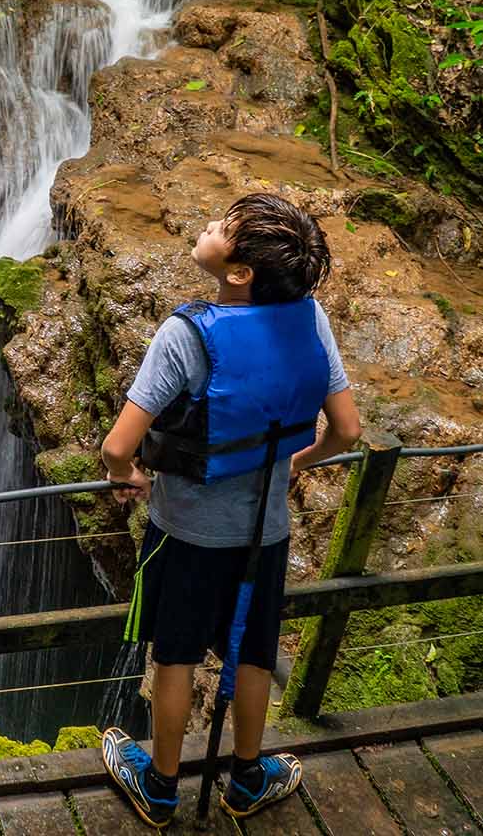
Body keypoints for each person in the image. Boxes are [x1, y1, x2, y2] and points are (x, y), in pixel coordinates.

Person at [98, 193, 362, 828]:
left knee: (175, 655)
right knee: (251, 653)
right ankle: (246, 776)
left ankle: (160, 788)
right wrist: (298, 462)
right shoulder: (311, 318)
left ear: (239, 271)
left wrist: (125, 476)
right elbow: (348, 431)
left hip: (184, 531)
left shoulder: (186, 335)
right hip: (265, 533)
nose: (209, 224)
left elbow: (116, 444)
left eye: (223, 227)